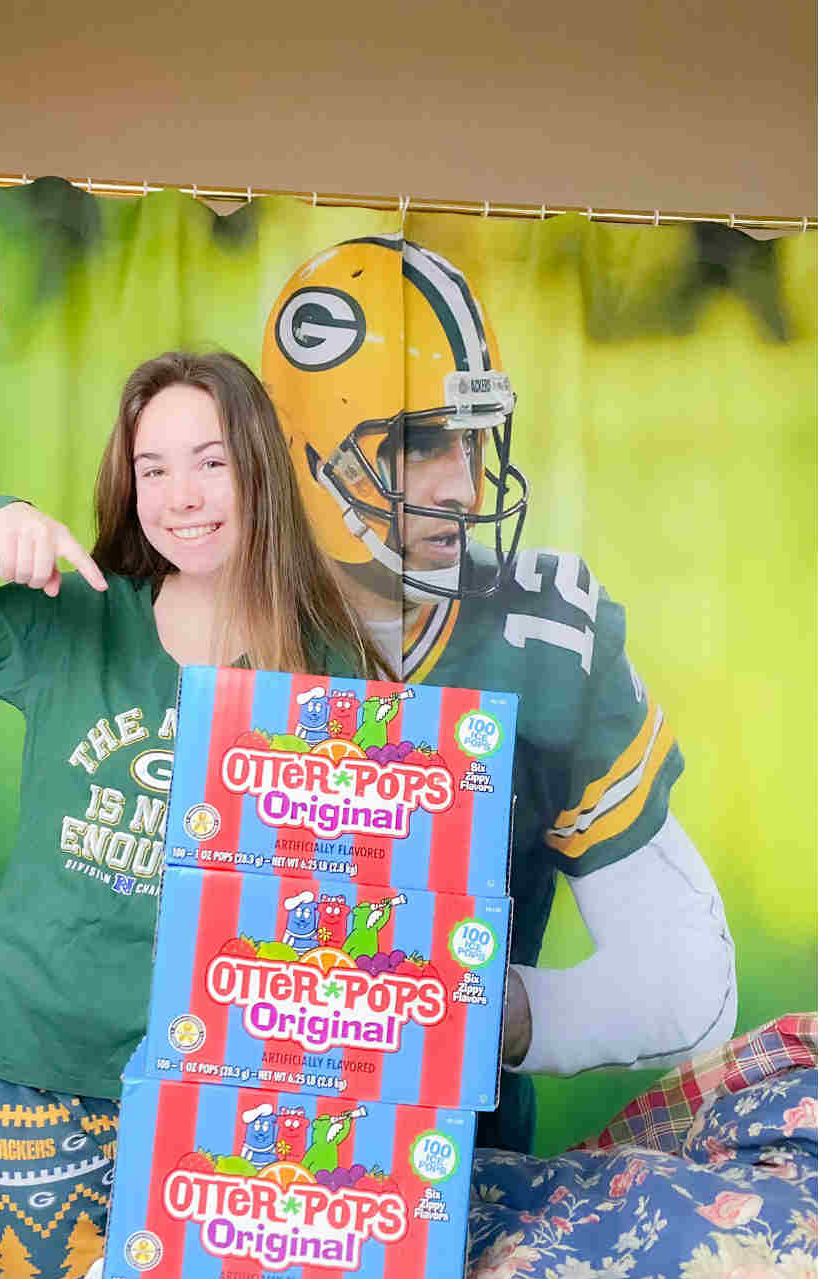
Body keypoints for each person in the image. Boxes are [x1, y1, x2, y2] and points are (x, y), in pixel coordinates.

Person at [0, 351, 391, 1279]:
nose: (182, 496)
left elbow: (370, 891)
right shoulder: (73, 618)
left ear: (258, 469)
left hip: (230, 1088)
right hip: (36, 1072)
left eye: (211, 461)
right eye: (152, 467)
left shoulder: (331, 666)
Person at [262, 234, 738, 1153]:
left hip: (467, 1153)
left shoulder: (543, 635)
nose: (465, 484)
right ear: (304, 451)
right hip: (252, 1147)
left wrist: (483, 1008)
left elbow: (688, 982)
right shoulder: (228, 619)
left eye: (473, 437)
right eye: (416, 442)